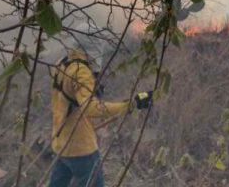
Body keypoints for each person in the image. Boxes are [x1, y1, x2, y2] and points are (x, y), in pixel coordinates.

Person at [49, 38, 153, 187]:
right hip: (81, 148)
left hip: (60, 142)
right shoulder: (82, 72)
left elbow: (68, 96)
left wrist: (90, 92)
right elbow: (90, 108)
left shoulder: (62, 63)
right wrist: (131, 104)